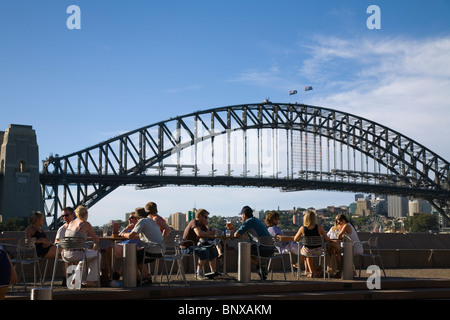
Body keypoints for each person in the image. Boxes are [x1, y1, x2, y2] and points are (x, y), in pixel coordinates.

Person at [229, 206, 275, 281]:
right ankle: (260, 268)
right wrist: (235, 229)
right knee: (249, 249)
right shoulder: (255, 220)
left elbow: (236, 235)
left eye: (241, 215)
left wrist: (233, 229)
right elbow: (245, 237)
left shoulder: (248, 221)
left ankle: (260, 265)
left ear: (243, 215)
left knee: (241, 251)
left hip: (263, 248)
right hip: (271, 249)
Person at [62, 205, 101, 287]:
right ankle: (91, 280)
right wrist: (94, 244)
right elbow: (96, 240)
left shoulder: (71, 223)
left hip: (65, 254)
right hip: (77, 254)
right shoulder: (86, 224)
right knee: (98, 255)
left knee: (86, 255)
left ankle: (75, 280)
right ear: (86, 214)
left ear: (76, 214)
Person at [122, 207, 163, 285]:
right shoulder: (151, 220)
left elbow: (131, 236)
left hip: (151, 251)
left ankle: (143, 278)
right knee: (139, 256)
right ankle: (145, 278)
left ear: (137, 217)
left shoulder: (142, 221)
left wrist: (123, 234)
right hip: (160, 251)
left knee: (133, 257)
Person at [181, 208, 218, 280]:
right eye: (206, 217)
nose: (206, 219)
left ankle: (213, 272)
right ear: (200, 216)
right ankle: (199, 272)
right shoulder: (194, 222)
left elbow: (209, 236)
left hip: (194, 246)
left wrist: (207, 227)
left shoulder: (202, 224)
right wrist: (210, 232)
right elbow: (199, 233)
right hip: (186, 248)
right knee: (204, 251)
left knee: (212, 249)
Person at [293, 210, 330, 278]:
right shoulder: (319, 227)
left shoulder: (302, 228)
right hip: (318, 251)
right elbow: (327, 239)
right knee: (308, 252)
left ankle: (312, 271)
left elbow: (295, 239)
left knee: (306, 252)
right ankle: (314, 271)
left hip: (308, 251)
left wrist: (302, 238)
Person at [106, 212, 141, 280]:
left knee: (130, 252)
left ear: (137, 219)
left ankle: (118, 274)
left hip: (135, 248)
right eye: (129, 218)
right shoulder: (125, 229)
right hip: (123, 246)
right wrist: (126, 229)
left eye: (132, 218)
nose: (130, 220)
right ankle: (110, 273)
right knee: (109, 249)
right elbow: (117, 238)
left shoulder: (139, 228)